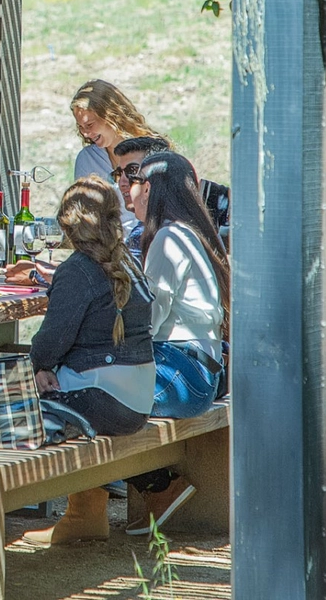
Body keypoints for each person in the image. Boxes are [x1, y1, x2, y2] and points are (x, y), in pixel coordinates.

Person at [22, 176, 155, 547]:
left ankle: (75, 513)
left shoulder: (78, 269)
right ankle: (84, 515)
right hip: (140, 400)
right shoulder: (127, 262)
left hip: (102, 399)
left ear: (67, 224)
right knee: (50, 390)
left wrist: (39, 368)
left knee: (12, 407)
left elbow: (51, 340)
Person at [120, 150, 229, 535]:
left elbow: (149, 320)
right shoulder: (188, 233)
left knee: (90, 397)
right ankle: (155, 489)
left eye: (131, 183)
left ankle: (158, 488)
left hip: (183, 371)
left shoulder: (167, 239)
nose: (127, 192)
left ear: (147, 188)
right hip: (200, 370)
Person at [70, 80, 163, 233]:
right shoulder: (87, 159)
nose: (85, 133)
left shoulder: (151, 151)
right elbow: (85, 214)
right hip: (107, 247)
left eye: (89, 125)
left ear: (110, 116)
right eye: (80, 127)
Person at [110, 135, 172, 262]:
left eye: (132, 171)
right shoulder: (143, 230)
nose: (122, 183)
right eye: (119, 173)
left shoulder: (165, 232)